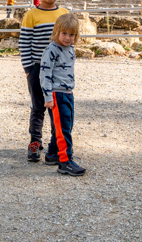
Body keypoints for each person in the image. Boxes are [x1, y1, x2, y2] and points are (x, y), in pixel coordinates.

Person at [19, 0, 69, 163]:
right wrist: (28, 68)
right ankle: (35, 141)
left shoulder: (64, 13)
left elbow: (69, 41)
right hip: (37, 68)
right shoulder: (31, 14)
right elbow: (24, 43)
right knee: (38, 106)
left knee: (57, 107)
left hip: (58, 70)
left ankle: (55, 145)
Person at [40, 13, 85, 176]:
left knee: (65, 126)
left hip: (67, 92)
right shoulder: (52, 50)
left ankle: (53, 154)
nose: (68, 38)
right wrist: (48, 97)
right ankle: (65, 161)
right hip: (56, 94)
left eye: (72, 34)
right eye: (64, 33)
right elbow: (44, 74)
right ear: (57, 31)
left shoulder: (70, 48)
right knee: (63, 128)